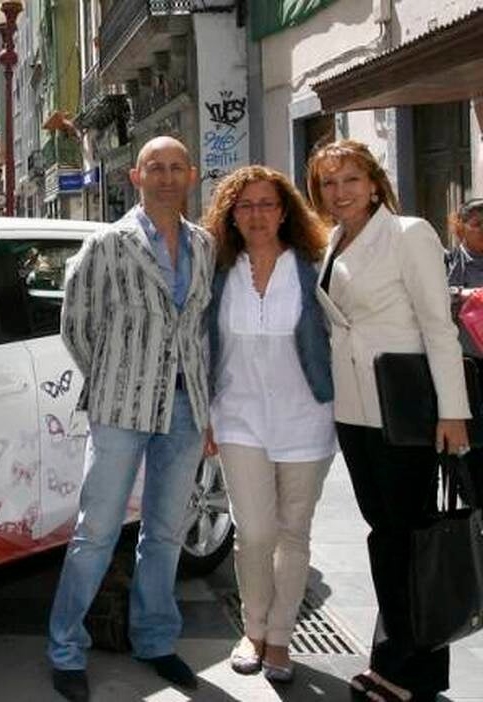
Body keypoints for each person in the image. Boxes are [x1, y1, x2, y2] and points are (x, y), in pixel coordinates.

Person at [49, 136, 215, 701]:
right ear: (136, 177)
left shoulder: (204, 244)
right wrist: (116, 378)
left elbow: (199, 327)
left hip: (187, 406)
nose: (166, 178)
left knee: (165, 532)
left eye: (175, 168)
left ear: (190, 175)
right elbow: (76, 323)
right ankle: (65, 648)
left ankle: (155, 639)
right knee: (95, 532)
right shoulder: (106, 243)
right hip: (122, 407)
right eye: (155, 168)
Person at [308, 139, 470, 702]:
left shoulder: (409, 234)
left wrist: (453, 411)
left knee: (410, 540)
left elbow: (438, 326)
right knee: (386, 537)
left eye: (351, 179)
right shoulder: (334, 239)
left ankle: (413, 673)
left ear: (375, 183)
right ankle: (391, 659)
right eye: (329, 183)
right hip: (355, 412)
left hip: (404, 409)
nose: (340, 192)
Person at [201, 166, 335, 682]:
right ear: (231, 215)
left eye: (267, 204)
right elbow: (201, 342)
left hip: (306, 419)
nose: (256, 214)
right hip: (237, 418)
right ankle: (251, 627)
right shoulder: (218, 271)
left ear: (285, 212)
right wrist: (205, 414)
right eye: (246, 205)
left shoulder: (313, 267)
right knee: (254, 533)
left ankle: (279, 637)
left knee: (293, 533)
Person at [446, 198, 483, 357]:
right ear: (460, 228)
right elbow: (433, 297)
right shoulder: (447, 262)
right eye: (477, 224)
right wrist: (463, 294)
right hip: (462, 357)